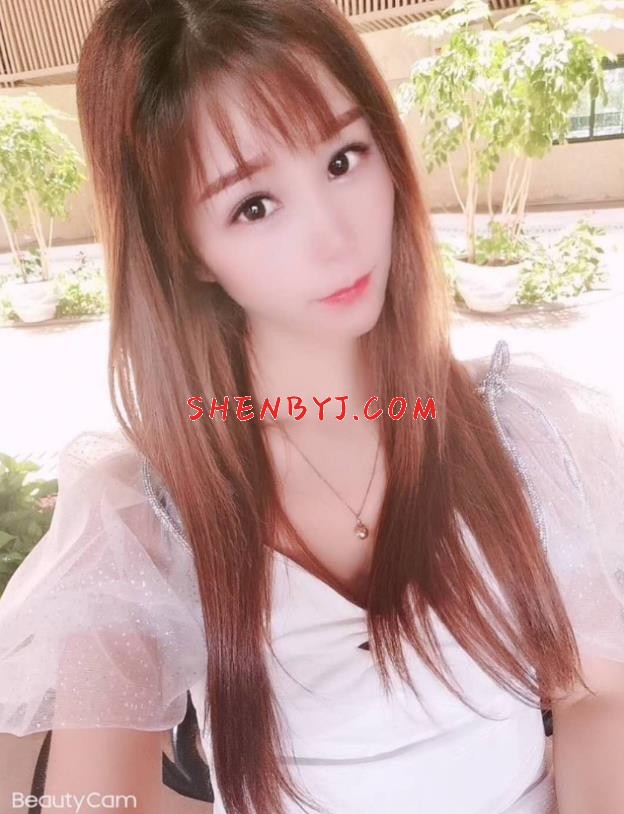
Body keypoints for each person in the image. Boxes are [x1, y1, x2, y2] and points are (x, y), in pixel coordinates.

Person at [1, 1, 623, 813]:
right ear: (185, 251)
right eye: (254, 205)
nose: (336, 236)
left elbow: (596, 695)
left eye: (342, 158)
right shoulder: (147, 519)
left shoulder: (522, 431)